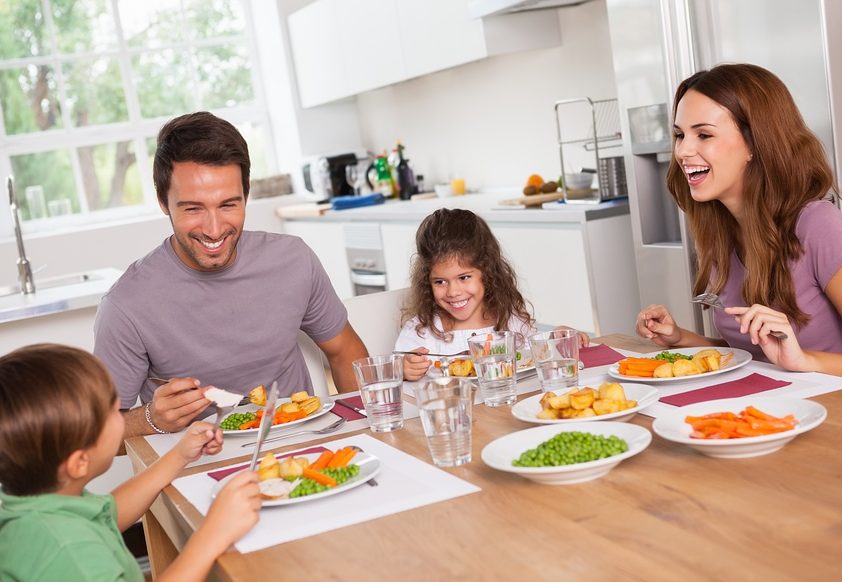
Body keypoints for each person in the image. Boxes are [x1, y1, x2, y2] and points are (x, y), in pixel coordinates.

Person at [94, 112, 368, 439]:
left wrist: (366, 430)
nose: (213, 230)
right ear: (163, 202)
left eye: (228, 205)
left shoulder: (293, 260)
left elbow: (345, 351)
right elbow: (101, 437)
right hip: (199, 467)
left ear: (246, 195)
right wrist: (151, 419)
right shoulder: (127, 305)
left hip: (301, 445)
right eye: (193, 208)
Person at [0, 344, 261, 582]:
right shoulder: (64, 545)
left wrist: (179, 455)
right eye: (112, 412)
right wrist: (213, 533)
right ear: (79, 462)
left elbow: (110, 512)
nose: (121, 415)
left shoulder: (37, 510)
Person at [636, 63, 842, 375]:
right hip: (764, 411)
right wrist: (680, 339)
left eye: (704, 134)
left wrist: (804, 361)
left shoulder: (818, 225)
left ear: (754, 143)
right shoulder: (723, 229)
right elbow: (752, 354)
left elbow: (789, 358)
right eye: (680, 134)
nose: (683, 151)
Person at [395, 208, 589, 381]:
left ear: (487, 272)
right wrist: (402, 369)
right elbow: (394, 375)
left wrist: (556, 339)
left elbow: (535, 356)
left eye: (464, 278)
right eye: (440, 282)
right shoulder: (421, 332)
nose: (453, 292)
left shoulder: (510, 319)